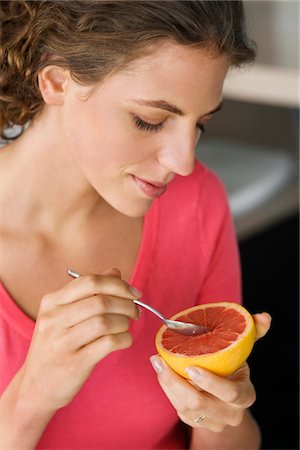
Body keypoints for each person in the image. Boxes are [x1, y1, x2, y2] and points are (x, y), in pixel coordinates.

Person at [0, 1, 271, 449]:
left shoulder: (197, 201)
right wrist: (32, 395)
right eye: (150, 120)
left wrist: (220, 414)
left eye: (200, 123)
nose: (183, 163)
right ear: (55, 82)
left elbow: (230, 437)